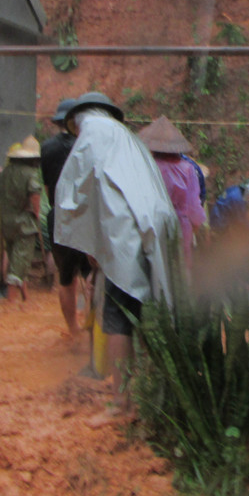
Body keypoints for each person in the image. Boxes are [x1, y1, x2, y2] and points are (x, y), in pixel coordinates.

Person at [54, 92, 179, 410]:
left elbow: (72, 195)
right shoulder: (128, 138)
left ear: (79, 119)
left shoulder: (93, 133)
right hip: (154, 226)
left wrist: (90, 247)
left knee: (117, 318)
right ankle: (149, 393)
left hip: (125, 235)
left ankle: (121, 404)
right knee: (150, 310)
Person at [41, 98, 91, 337]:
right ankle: (92, 326)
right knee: (92, 276)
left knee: (66, 278)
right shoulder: (88, 146)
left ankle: (72, 329)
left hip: (58, 216)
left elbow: (49, 189)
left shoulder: (47, 148)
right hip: (86, 217)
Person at [138, 116, 206, 271]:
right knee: (180, 270)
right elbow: (194, 207)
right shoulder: (188, 169)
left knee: (156, 270)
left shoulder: (147, 167)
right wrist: (194, 226)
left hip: (152, 224)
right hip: (180, 225)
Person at [0, 136, 43, 302]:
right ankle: (11, 303)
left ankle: (25, 298)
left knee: (17, 260)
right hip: (25, 224)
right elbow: (35, 196)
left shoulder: (6, 172)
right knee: (20, 262)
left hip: (7, 223)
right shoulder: (31, 174)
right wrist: (36, 213)